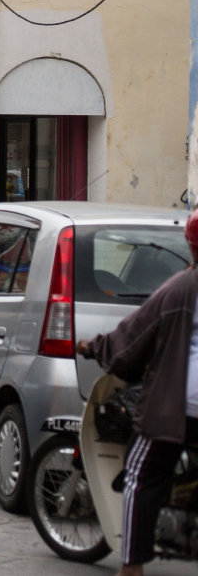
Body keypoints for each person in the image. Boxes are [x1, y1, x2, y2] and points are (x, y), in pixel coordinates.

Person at [78, 208, 198, 576]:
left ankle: (131, 568)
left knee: (139, 475)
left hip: (181, 408)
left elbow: (131, 339)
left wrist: (94, 347)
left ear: (191, 245)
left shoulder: (180, 288)